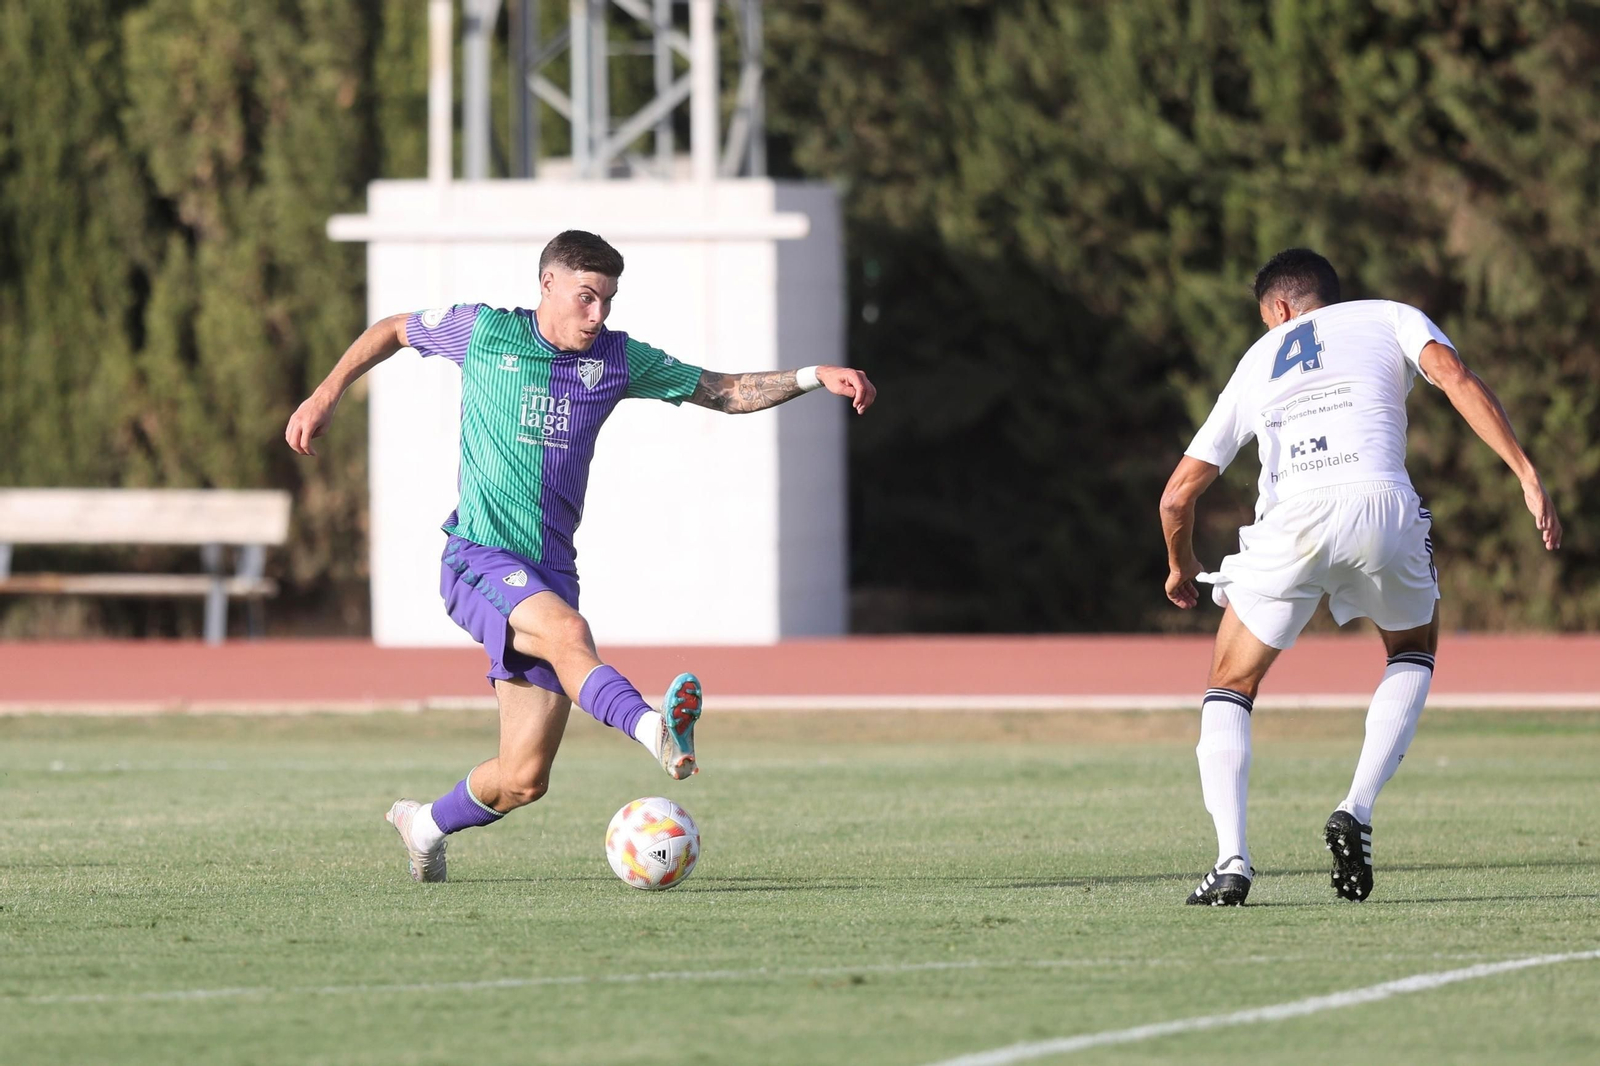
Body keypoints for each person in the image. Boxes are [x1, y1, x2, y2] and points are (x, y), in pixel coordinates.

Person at [285, 229, 876, 882]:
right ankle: (657, 732)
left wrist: (811, 376)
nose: (598, 317)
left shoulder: (618, 361)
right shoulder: (482, 332)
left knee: (523, 778)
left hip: (550, 575)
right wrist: (326, 392)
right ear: (548, 285)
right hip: (478, 557)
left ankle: (422, 825)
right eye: (587, 298)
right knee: (569, 633)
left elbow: (720, 390)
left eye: (608, 302)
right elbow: (396, 328)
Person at [1159, 248, 1560, 906]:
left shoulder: (1258, 360)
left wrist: (1182, 565)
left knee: (1230, 685)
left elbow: (1176, 497)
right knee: (1411, 650)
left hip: (1291, 523)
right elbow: (1454, 377)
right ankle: (1357, 807)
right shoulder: (1393, 316)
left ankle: (1232, 860)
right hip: (1383, 506)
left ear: (1280, 310)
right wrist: (1525, 473)